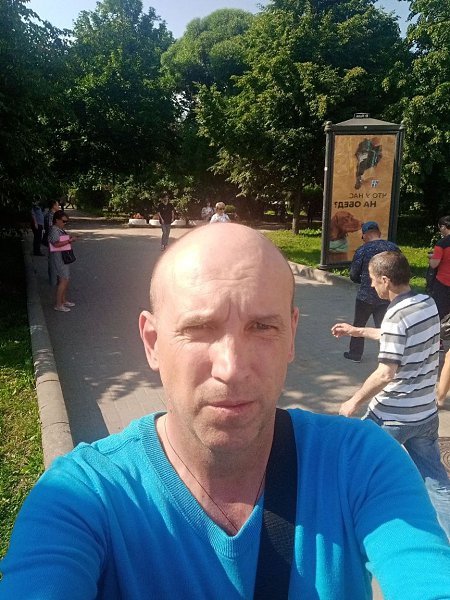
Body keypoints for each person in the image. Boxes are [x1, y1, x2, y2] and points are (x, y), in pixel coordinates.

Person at [2, 226, 450, 599]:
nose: (232, 369)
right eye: (199, 328)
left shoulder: (361, 462)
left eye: (263, 327)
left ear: (292, 336)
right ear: (152, 342)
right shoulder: (83, 496)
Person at [332, 251, 450, 538]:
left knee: (354, 467)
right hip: (425, 414)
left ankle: (348, 530)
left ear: (386, 280)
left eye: (374, 280)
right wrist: (357, 331)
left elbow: (386, 373)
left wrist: (353, 401)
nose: (372, 286)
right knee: (437, 482)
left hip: (392, 416)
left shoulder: (396, 315)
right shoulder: (426, 302)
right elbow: (397, 336)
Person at [344, 221, 398, 362]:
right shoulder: (393, 248)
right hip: (387, 295)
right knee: (385, 327)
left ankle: (355, 354)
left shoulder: (362, 250)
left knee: (359, 324)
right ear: (379, 233)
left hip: (365, 296)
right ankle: (388, 356)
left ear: (364, 235)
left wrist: (363, 281)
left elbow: (353, 275)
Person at [48, 210, 77, 312]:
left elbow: (59, 241)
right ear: (57, 220)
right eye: (63, 221)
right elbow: (55, 244)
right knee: (64, 280)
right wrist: (69, 240)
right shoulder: (54, 230)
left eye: (66, 222)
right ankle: (58, 304)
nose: (65, 223)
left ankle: (63, 301)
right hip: (59, 258)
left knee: (65, 279)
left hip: (62, 257)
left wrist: (68, 238)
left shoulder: (58, 229)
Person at [429, 215, 450, 320]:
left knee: (440, 312)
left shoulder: (442, 243)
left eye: (440, 228)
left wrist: (431, 258)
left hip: (443, 282)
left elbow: (434, 264)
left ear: (444, 227)